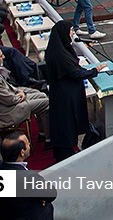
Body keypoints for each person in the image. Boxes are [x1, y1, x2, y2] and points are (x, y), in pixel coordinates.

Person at [44, 21, 108, 161]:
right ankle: (65, 154)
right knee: (66, 124)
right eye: (71, 31)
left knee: (67, 124)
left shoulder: (58, 48)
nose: (73, 33)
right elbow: (74, 73)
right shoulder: (60, 54)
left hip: (65, 93)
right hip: (65, 97)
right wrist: (94, 71)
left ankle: (66, 150)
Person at [0, 47, 50, 139]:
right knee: (47, 102)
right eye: (1, 56)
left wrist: (20, 92)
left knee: (41, 95)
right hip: (6, 112)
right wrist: (23, 95)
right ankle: (49, 138)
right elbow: (10, 100)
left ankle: (43, 134)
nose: (4, 57)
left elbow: (8, 88)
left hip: (1, 104)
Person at [0, 131, 56, 220]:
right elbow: (51, 193)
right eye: (27, 143)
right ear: (22, 152)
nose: (29, 144)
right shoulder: (27, 178)